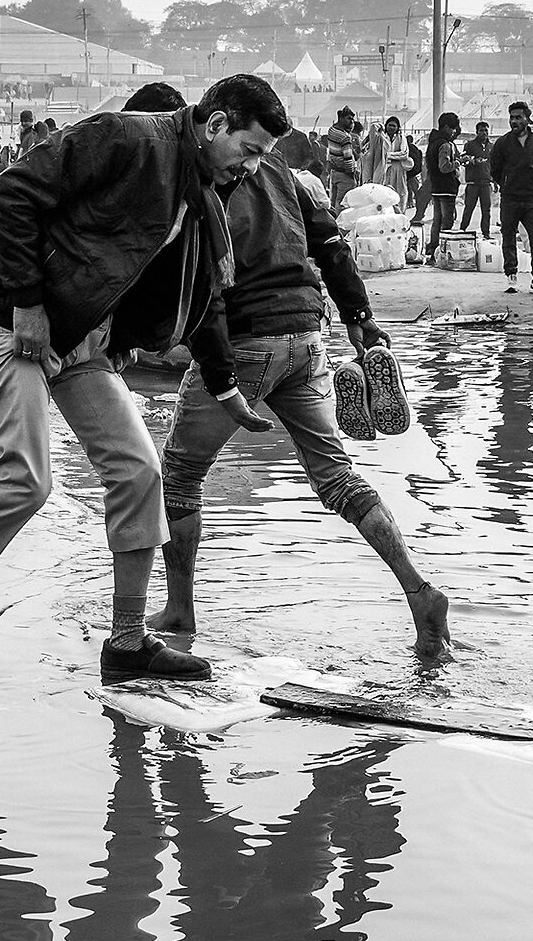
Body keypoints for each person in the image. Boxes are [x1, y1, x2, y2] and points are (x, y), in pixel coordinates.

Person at [0, 74, 287, 683]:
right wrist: (27, 303)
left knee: (138, 472)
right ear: (215, 124)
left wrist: (223, 384)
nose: (254, 167)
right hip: (20, 323)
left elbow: (200, 297)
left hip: (82, 341)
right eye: (251, 149)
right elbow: (12, 193)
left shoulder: (203, 192)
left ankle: (127, 643)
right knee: (26, 480)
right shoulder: (129, 137)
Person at [151, 120, 454, 655]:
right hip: (308, 335)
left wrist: (217, 374)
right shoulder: (287, 176)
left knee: (178, 476)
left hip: (245, 338)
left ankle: (180, 610)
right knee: (337, 476)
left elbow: (204, 284)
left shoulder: (199, 179)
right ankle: (418, 589)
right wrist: (358, 316)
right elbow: (332, 245)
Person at [491, 101, 533, 294]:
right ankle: (511, 275)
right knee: (508, 237)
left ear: (527, 119)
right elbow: (495, 170)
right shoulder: (502, 143)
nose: (514, 121)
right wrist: (506, 184)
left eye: (518, 117)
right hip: (509, 198)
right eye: (512, 118)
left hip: (531, 199)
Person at [420, 111, 462, 257]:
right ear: (445, 127)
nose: (454, 132)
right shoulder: (445, 145)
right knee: (446, 222)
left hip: (436, 187)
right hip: (447, 187)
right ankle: (444, 252)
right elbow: (444, 167)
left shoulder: (433, 142)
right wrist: (458, 162)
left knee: (436, 221)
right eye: (452, 128)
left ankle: (433, 248)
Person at [459, 119, 494, 237]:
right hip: (473, 182)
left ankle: (486, 233)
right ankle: (462, 230)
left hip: (486, 183)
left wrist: (495, 182)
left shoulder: (492, 147)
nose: (484, 133)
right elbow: (462, 160)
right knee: (469, 208)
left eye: (486, 131)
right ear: (477, 132)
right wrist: (473, 161)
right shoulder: (469, 145)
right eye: (481, 131)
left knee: (487, 210)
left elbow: (494, 165)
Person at [321, 107, 361, 208]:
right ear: (341, 118)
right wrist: (352, 174)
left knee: (334, 203)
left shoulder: (332, 130)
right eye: (349, 118)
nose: (351, 121)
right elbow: (348, 158)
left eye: (352, 119)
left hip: (334, 171)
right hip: (344, 174)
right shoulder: (344, 137)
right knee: (343, 204)